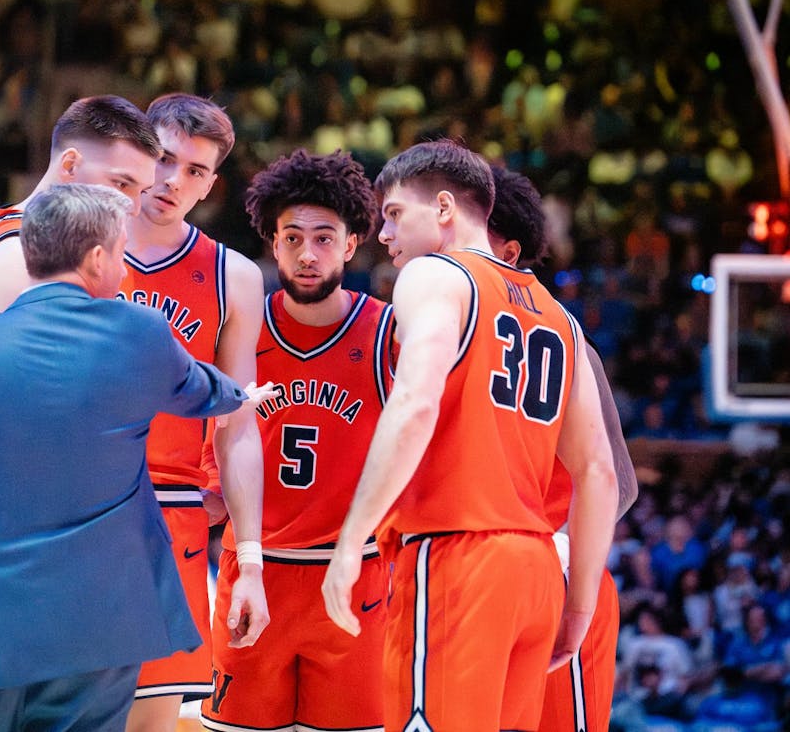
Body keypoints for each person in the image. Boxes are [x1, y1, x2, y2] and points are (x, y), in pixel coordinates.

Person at [0, 184, 266, 731]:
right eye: (121, 253)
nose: (125, 270)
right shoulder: (140, 335)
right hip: (99, 633)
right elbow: (203, 389)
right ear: (98, 259)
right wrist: (242, 397)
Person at [322, 139, 618, 731]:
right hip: (536, 571)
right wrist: (579, 606)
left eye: (394, 214)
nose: (384, 234)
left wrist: (351, 539)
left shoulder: (435, 274)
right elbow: (599, 472)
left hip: (456, 557)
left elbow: (415, 402)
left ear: (443, 208)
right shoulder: (559, 315)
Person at [199, 149, 393, 732]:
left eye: (324, 238)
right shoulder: (239, 329)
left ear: (352, 244)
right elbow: (212, 477)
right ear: (273, 243)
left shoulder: (389, 333)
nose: (308, 254)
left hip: (355, 575)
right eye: (292, 238)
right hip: (253, 570)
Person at [115, 93, 269, 732]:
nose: (173, 180)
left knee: (150, 724)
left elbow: (240, 425)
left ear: (210, 185)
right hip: (69, 505)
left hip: (169, 512)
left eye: (195, 171)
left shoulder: (234, 276)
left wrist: (251, 560)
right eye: (164, 158)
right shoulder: (68, 243)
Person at [486, 165, 638, 732]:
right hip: (483, 581)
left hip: (558, 576)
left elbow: (619, 481)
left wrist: (564, 555)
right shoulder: (445, 330)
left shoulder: (562, 334)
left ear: (507, 250)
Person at [0, 94, 160, 340]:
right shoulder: (21, 257)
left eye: (142, 191)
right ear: (69, 165)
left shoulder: (6, 227)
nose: (134, 208)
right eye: (122, 184)